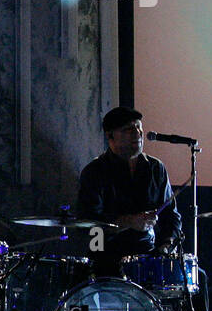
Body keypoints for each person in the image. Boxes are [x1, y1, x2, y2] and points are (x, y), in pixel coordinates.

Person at [76, 106, 181, 275]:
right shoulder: (95, 171)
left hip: (148, 257)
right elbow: (88, 225)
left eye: (139, 127)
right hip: (108, 259)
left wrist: (166, 247)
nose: (137, 133)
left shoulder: (155, 168)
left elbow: (171, 216)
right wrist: (128, 222)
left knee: (196, 280)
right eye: (128, 129)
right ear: (110, 136)